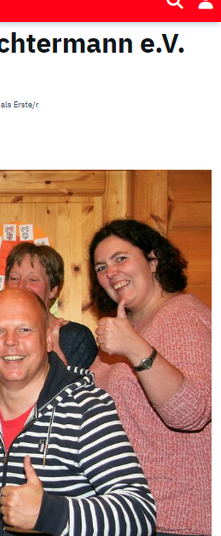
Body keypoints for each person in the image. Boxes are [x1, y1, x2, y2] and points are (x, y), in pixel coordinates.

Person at [0, 288, 156, 536]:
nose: (10, 341)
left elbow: (140, 513)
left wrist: (50, 514)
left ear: (48, 340)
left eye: (25, 329)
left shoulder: (85, 409)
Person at [89, 219, 211, 536]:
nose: (110, 272)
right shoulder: (126, 329)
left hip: (177, 517)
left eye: (120, 258)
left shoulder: (182, 314)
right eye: (101, 267)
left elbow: (192, 412)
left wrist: (135, 348)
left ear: (153, 260)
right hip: (130, 513)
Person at [5, 242, 98, 368]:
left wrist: (59, 366)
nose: (21, 286)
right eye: (14, 278)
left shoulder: (76, 337)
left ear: (53, 290)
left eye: (33, 279)